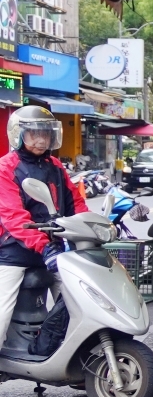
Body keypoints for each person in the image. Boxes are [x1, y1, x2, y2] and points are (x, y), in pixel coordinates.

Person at [0, 106, 88, 344]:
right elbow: (14, 218)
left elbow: (75, 203)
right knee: (1, 315)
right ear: (18, 135)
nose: (41, 140)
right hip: (14, 253)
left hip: (53, 251)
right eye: (34, 134)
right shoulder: (6, 167)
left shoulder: (55, 166)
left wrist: (91, 229)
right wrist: (45, 247)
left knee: (80, 304)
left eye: (46, 134)